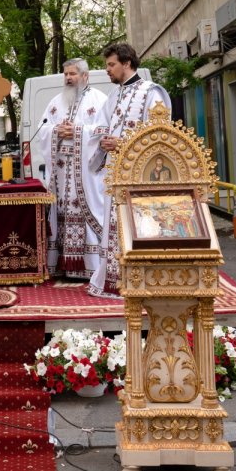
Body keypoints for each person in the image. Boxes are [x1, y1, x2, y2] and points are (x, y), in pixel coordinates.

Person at [83, 43, 171, 298]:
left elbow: (159, 135)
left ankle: (144, 278)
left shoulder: (151, 93)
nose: (107, 70)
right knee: (116, 224)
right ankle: (115, 276)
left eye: (111, 65)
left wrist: (122, 143)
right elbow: (100, 126)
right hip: (116, 173)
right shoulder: (114, 96)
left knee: (142, 225)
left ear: (127, 63)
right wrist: (103, 141)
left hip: (140, 176)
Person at [38, 58, 108, 279]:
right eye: (66, 74)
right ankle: (60, 266)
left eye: (73, 74)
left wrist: (78, 131)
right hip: (60, 170)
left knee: (84, 210)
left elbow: (105, 130)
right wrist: (56, 131)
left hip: (86, 172)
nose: (68, 78)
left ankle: (89, 267)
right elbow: (43, 129)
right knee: (60, 213)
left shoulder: (100, 101)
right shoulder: (56, 101)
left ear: (85, 76)